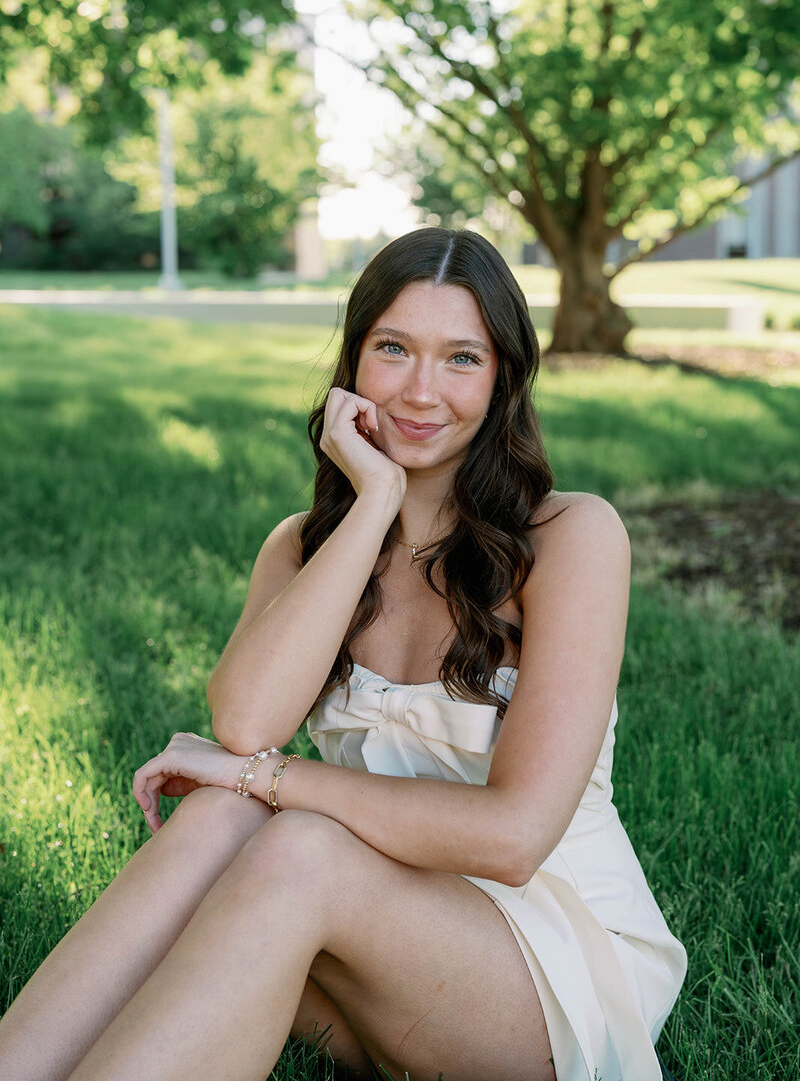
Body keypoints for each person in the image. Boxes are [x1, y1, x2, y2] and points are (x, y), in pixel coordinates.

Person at [0, 227, 686, 1081]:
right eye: (393, 348)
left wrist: (270, 781)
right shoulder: (303, 547)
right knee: (223, 819)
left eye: (462, 359)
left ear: (504, 378)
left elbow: (513, 838)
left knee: (294, 842)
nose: (421, 392)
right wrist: (374, 505)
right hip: (375, 959)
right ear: (353, 361)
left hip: (550, 969)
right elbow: (247, 722)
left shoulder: (571, 537)